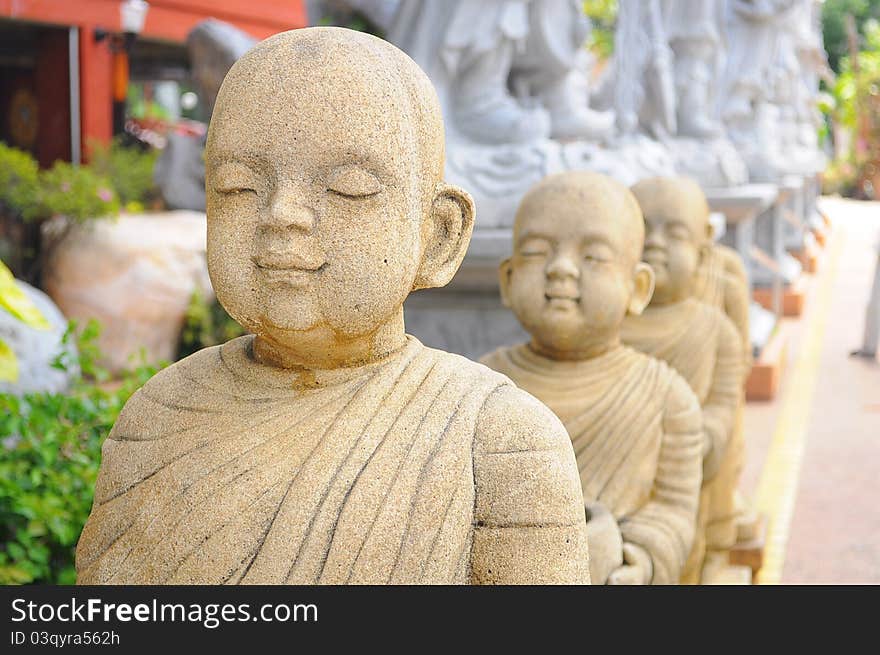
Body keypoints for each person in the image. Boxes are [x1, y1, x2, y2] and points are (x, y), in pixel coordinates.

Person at [75, 27, 591, 585]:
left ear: (438, 235)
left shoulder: (497, 442)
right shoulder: (158, 417)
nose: (282, 214)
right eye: (238, 187)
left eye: (348, 188)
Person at [481, 172, 703, 584]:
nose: (560, 269)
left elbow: (673, 511)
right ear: (507, 280)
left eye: (594, 257)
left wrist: (642, 560)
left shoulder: (668, 399)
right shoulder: (477, 390)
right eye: (535, 252)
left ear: (637, 288)